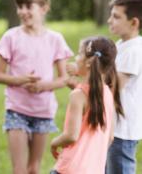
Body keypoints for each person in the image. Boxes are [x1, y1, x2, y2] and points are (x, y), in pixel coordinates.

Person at [0, 0, 73, 174]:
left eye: (29, 6)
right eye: (20, 7)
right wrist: (20, 80)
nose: (23, 11)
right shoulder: (11, 37)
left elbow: (64, 79)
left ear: (44, 8)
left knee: (34, 169)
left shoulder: (55, 39)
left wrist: (44, 86)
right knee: (19, 170)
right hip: (16, 110)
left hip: (43, 112)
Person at [50, 36, 124, 174]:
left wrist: (54, 143)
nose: (76, 58)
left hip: (69, 168)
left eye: (79, 53)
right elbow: (110, 137)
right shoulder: (108, 93)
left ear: (89, 62)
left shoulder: (78, 95)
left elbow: (71, 135)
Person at [106, 0, 142, 174]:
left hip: (123, 130)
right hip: (114, 127)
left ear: (134, 22)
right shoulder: (121, 45)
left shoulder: (134, 50)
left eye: (116, 16)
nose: (109, 20)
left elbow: (113, 85)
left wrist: (87, 76)